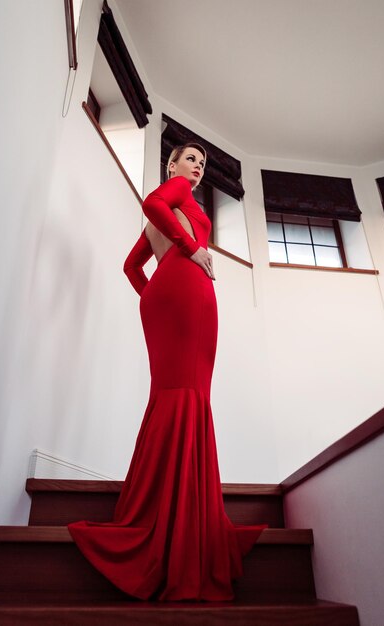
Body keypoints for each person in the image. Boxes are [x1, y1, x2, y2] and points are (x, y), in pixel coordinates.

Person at [68, 143, 267, 602]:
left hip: (166, 296)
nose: (197, 168)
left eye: (202, 163)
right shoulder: (173, 194)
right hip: (186, 293)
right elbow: (151, 202)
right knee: (190, 393)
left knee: (174, 392)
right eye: (190, 160)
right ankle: (183, 514)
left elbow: (130, 266)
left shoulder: (172, 210)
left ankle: (163, 505)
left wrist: (151, 294)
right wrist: (192, 249)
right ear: (172, 164)